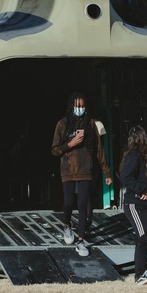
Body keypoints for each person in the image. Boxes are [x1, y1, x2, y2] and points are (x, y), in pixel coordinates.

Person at [50, 92, 112, 256]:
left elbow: (99, 150)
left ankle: (80, 240)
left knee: (83, 205)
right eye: (77, 106)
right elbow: (55, 149)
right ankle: (67, 225)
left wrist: (107, 172)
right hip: (68, 170)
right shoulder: (62, 124)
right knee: (69, 202)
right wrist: (70, 144)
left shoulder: (91, 124)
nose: (80, 109)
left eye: (82, 106)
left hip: (86, 170)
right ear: (71, 106)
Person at [120, 126, 147, 286]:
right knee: (144, 237)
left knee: (142, 238)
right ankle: (139, 275)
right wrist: (143, 189)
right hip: (134, 204)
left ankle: (141, 272)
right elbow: (126, 177)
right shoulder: (133, 156)